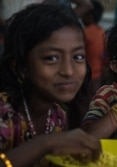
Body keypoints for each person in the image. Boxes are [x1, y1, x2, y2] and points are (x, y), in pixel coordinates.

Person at [0, 3, 101, 167]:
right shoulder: (4, 115)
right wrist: (45, 144)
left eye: (78, 57)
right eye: (52, 58)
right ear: (21, 68)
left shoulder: (57, 115)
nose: (68, 71)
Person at [81, 0, 105, 94]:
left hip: (86, 77)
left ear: (89, 16)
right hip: (99, 77)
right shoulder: (102, 32)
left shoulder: (85, 33)